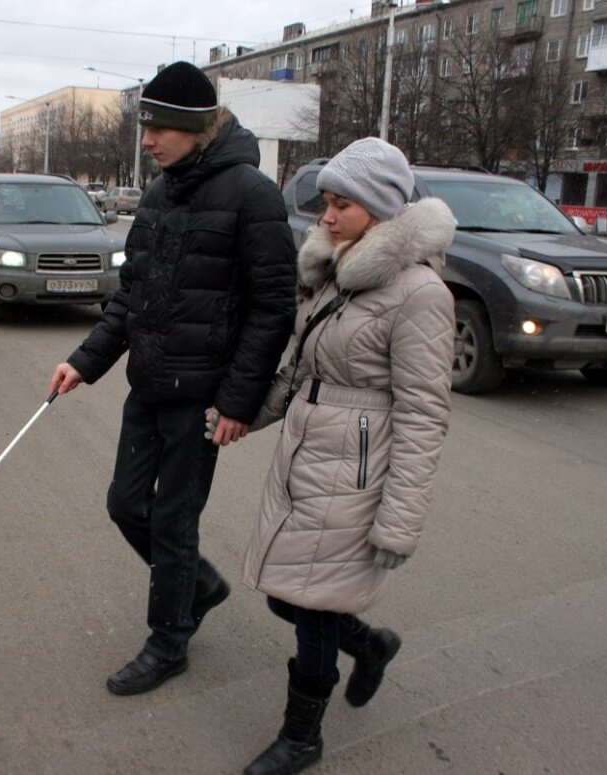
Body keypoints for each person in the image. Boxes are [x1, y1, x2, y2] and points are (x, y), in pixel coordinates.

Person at [47, 61, 297, 697]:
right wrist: (85, 360)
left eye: (158, 129)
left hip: (203, 397)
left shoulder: (251, 194)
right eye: (146, 128)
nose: (148, 141)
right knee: (126, 505)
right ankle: (201, 586)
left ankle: (169, 641)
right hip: (149, 385)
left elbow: (274, 309)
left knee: (174, 520)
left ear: (192, 128)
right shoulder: (159, 195)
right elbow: (132, 296)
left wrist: (239, 401)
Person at [234, 137, 456, 774]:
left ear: (383, 212)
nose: (326, 217)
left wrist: (400, 520)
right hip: (306, 455)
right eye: (326, 203)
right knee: (288, 594)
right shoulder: (334, 273)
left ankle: (301, 738)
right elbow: (303, 372)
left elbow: (424, 413)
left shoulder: (419, 294)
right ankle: (372, 644)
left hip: (359, 471)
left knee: (312, 605)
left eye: (342, 205)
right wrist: (238, 416)